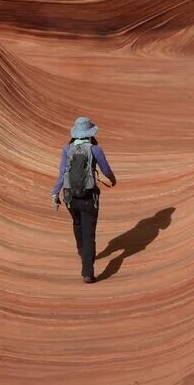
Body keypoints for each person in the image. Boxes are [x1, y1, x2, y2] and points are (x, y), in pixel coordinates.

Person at [51, 116, 117, 283]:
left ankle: (81, 250)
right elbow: (106, 169)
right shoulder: (95, 149)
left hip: (70, 197)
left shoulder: (67, 149)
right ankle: (87, 271)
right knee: (89, 233)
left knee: (77, 223)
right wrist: (112, 179)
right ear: (89, 133)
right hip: (89, 197)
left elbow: (61, 174)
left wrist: (55, 193)